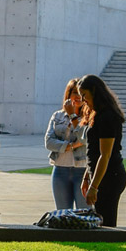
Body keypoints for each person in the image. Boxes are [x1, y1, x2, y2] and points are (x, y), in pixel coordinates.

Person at [77, 74, 126, 227]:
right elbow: (93, 151)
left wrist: (94, 187)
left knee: (106, 223)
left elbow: (105, 155)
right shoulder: (98, 114)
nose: (83, 100)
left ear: (94, 91)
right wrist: (87, 177)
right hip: (101, 175)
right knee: (101, 221)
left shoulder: (108, 117)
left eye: (84, 95)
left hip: (110, 176)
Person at [44, 79, 89, 209]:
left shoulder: (89, 117)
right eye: (75, 92)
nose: (78, 96)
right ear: (68, 95)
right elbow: (49, 142)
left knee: (83, 212)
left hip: (82, 170)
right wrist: (72, 146)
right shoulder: (57, 116)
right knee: (63, 213)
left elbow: (85, 139)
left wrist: (72, 115)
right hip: (60, 170)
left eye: (81, 93)